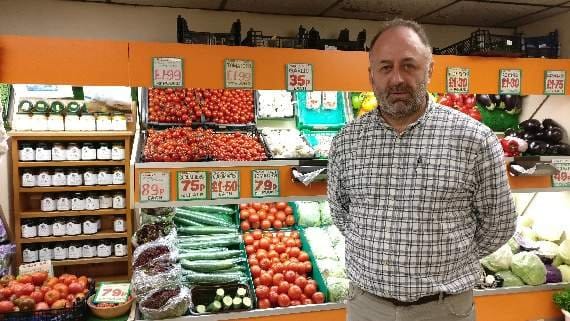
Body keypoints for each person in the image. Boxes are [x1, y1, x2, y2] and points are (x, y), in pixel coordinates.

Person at [327, 18, 516, 321]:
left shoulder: (475, 139)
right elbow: (341, 212)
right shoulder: (347, 141)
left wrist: (449, 258)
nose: (397, 78)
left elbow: (500, 223)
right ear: (371, 75)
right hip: (367, 308)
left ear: (429, 70)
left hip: (444, 308)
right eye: (385, 67)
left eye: (409, 65)